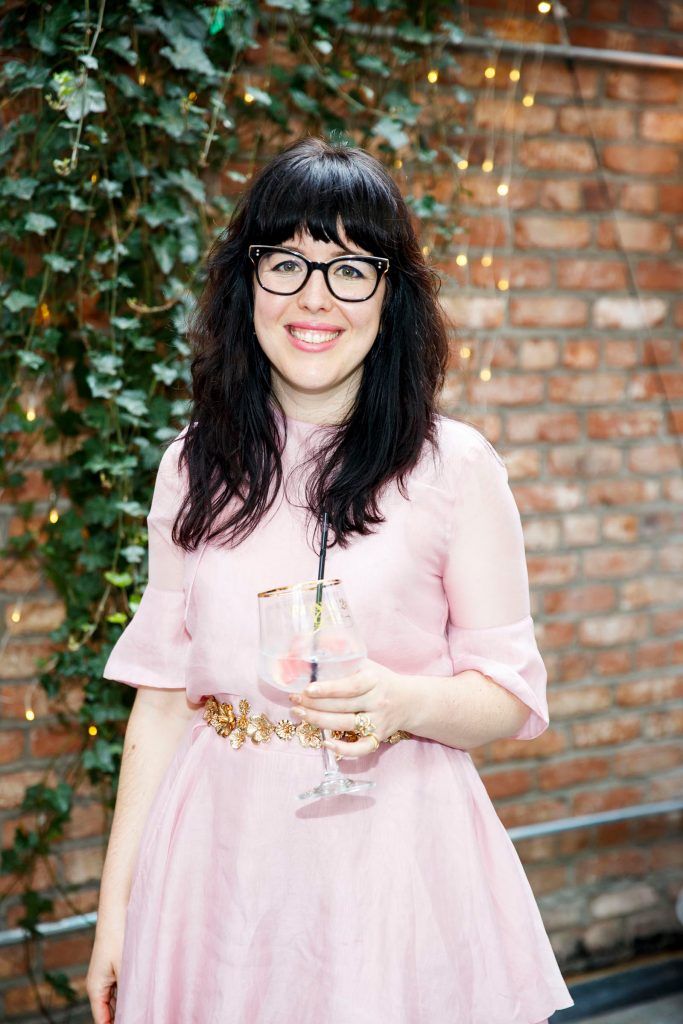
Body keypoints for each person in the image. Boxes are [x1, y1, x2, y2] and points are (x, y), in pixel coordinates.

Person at [86, 136, 575, 1023]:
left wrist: (397, 701)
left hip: (391, 864)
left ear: (389, 296)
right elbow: (160, 701)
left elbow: (508, 693)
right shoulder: (191, 467)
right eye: (287, 264)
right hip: (215, 863)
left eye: (351, 268)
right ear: (248, 282)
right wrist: (115, 912)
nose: (315, 298)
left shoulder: (453, 467)